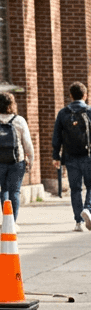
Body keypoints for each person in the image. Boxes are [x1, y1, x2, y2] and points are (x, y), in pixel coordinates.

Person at [51, 82, 91, 232]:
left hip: (70, 157)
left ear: (70, 96)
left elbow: (56, 136)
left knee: (75, 189)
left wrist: (56, 156)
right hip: (90, 155)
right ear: (86, 95)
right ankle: (88, 209)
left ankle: (78, 222)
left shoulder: (63, 113)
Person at [0, 92, 35, 222]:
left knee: (4, 189)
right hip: (17, 161)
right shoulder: (19, 120)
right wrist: (30, 161)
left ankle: (6, 219)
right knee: (14, 191)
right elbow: (28, 144)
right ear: (12, 104)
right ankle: (12, 222)